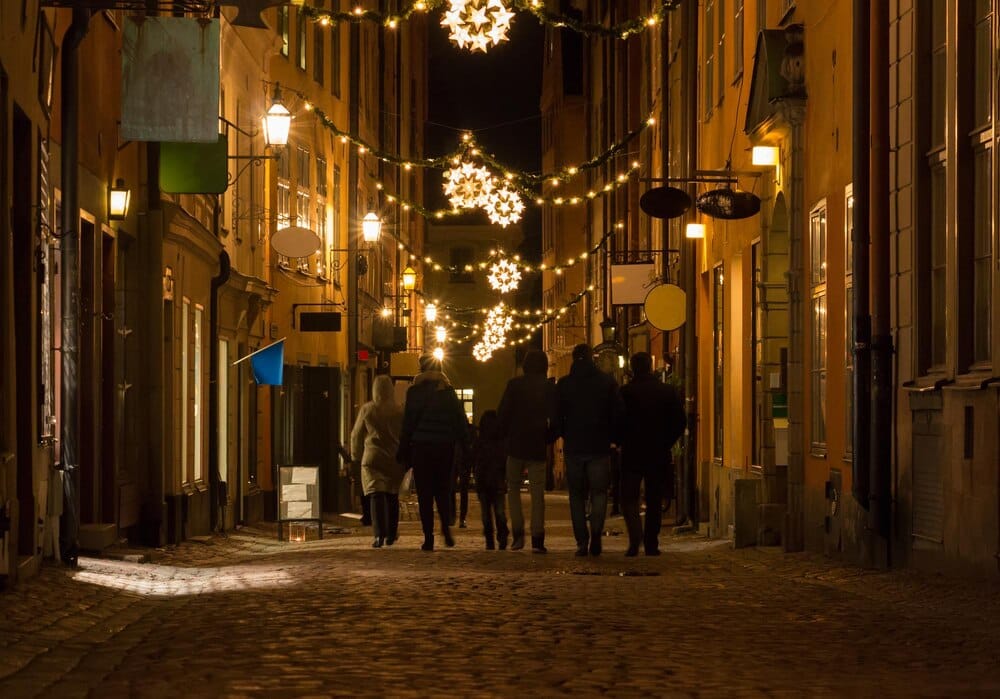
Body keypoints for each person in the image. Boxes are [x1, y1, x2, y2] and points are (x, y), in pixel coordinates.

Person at [556, 343, 624, 557]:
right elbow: (617, 412)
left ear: (574, 360)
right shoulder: (606, 382)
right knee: (599, 492)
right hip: (599, 446)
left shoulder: (565, 384)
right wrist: (614, 438)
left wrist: (563, 433)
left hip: (575, 446)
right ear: (592, 359)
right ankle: (596, 533)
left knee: (576, 495)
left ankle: (581, 542)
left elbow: (557, 415)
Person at [397, 354, 470, 551]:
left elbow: (408, 424)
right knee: (443, 491)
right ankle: (445, 528)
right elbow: (460, 421)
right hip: (445, 447)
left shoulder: (414, 392)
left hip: (421, 448)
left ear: (421, 369)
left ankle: (428, 536)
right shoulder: (448, 392)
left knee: (424, 494)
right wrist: (465, 445)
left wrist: (403, 450)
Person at [619, 352, 686, 556]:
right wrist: (667, 441)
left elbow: (617, 420)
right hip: (658, 452)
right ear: (649, 367)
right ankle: (651, 543)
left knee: (628, 498)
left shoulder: (625, 392)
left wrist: (620, 441)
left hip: (632, 452)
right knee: (654, 498)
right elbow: (680, 422)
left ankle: (635, 537)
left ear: (632, 368)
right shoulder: (666, 391)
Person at [497, 349, 558, 553]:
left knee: (513, 489)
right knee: (537, 493)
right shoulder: (548, 388)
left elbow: (503, 414)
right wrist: (549, 437)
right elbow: (556, 418)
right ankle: (538, 538)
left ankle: (518, 534)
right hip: (537, 445)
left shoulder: (514, 385)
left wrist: (504, 436)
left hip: (515, 445)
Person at [350, 375, 405, 548]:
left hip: (372, 458)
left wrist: (355, 456)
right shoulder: (399, 411)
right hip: (394, 458)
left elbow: (356, 435)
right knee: (392, 496)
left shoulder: (368, 409)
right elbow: (405, 436)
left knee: (376, 495)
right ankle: (391, 533)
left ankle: (379, 535)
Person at [471, 410, 509, 550]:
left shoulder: (480, 442)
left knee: (487, 515)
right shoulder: (501, 442)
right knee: (499, 512)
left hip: (484, 483)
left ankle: (490, 540)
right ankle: (502, 535)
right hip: (497, 482)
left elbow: (474, 460)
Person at [452, 422, 475, 528]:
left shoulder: (454, 427)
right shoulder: (467, 429)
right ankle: (459, 517)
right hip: (459, 461)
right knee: (460, 490)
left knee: (457, 490)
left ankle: (457, 517)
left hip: (459, 461)